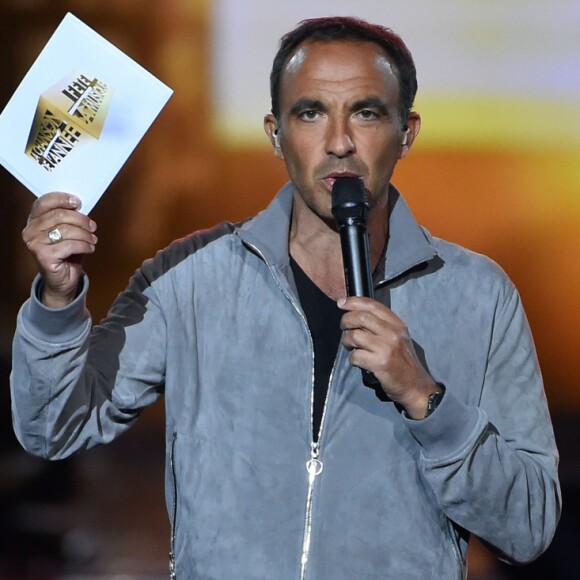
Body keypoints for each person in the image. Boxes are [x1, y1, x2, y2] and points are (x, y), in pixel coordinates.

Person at [11, 16, 560, 579]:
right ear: (275, 134)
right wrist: (58, 300)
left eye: (366, 113)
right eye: (311, 112)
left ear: (407, 132)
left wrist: (427, 401)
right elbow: (54, 425)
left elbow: (529, 525)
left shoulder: (478, 294)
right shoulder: (191, 278)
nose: (340, 142)